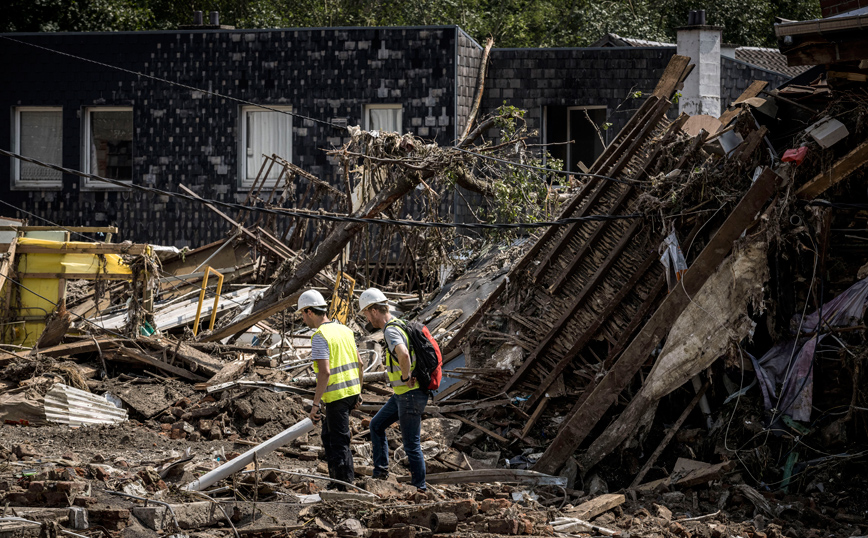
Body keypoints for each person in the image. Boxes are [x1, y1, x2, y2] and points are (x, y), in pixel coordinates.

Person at [358, 287, 427, 492]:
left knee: (411, 444)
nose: (367, 319)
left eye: (366, 314)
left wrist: (405, 377)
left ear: (373, 310)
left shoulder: (390, 329)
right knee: (376, 425)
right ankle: (381, 471)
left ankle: (419, 489)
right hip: (401, 395)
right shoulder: (400, 323)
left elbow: (404, 354)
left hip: (409, 394)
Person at [298, 289, 362, 491]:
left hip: (337, 397)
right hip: (351, 393)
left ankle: (345, 486)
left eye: (302, 313)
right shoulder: (344, 330)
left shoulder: (319, 336)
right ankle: (336, 480)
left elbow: (324, 373)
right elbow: (360, 363)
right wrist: (359, 392)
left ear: (309, 311)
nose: (302, 318)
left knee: (339, 441)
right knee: (328, 436)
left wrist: (315, 404)